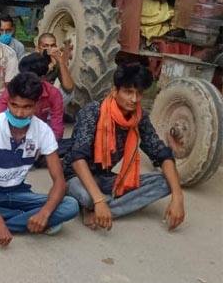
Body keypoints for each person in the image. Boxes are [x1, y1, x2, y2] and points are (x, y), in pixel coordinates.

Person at [0, 73, 79, 245]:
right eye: (14, 105)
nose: (19, 113)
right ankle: (19, 221)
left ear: (37, 105)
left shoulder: (43, 131)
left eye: (27, 107)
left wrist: (44, 213)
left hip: (20, 193)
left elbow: (59, 182)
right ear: (7, 101)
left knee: (70, 205)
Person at [65, 63, 185, 231]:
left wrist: (178, 198)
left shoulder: (139, 117)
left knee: (167, 182)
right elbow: (77, 160)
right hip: (76, 176)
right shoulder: (93, 111)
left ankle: (102, 210)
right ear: (115, 91)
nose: (134, 99)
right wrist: (99, 200)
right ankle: (101, 204)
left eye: (139, 93)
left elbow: (161, 154)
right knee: (87, 197)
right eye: (128, 92)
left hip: (105, 177)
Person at [0, 53, 64, 141]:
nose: (25, 81)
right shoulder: (15, 88)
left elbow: (57, 127)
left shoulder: (54, 94)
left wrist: (48, 145)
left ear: (43, 78)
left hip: (38, 136)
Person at [37, 32, 74, 105]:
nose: (49, 49)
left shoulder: (56, 62)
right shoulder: (30, 60)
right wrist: (48, 69)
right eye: (45, 46)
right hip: (31, 97)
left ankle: (53, 112)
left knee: (69, 93)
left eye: (52, 45)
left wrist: (60, 61)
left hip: (46, 97)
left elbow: (69, 88)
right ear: (38, 48)